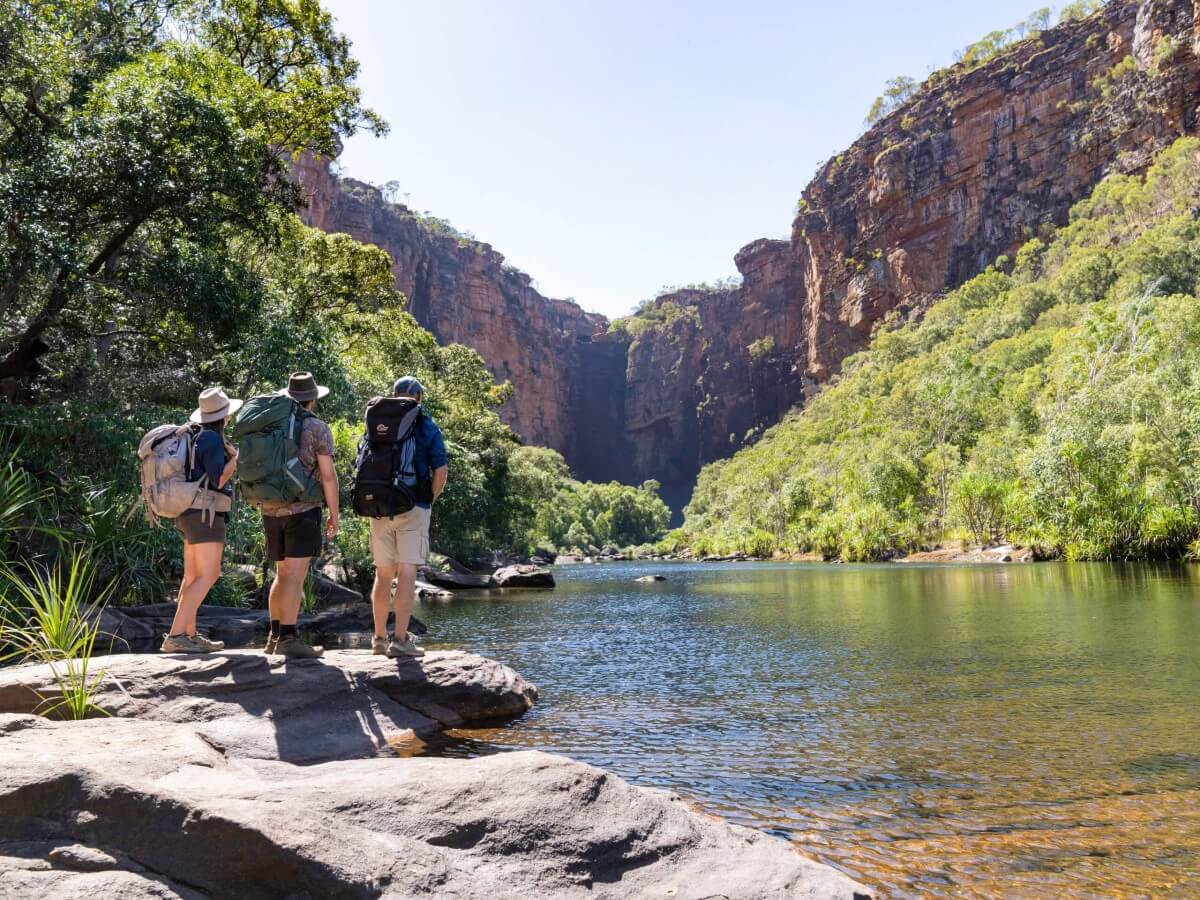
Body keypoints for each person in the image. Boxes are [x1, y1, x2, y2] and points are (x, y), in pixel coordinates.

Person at [261, 372, 339, 659]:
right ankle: (289, 638)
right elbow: (328, 477)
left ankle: (274, 636)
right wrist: (334, 514)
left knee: (282, 575)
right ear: (313, 399)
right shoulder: (317, 428)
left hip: (270, 508)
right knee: (294, 576)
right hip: (303, 510)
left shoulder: (271, 426)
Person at [370, 376, 448, 658]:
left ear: (394, 394)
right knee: (406, 573)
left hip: (378, 506)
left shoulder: (376, 418)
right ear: (418, 397)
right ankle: (400, 640)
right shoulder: (426, 425)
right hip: (413, 506)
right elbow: (440, 470)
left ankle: (378, 639)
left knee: (382, 574)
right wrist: (431, 498)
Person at [162, 387, 242, 654]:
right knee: (209, 574)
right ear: (224, 417)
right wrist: (236, 461)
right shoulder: (212, 440)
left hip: (188, 512)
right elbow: (218, 479)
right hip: (205, 513)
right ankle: (175, 635)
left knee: (192, 576)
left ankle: (190, 635)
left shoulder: (195, 437)